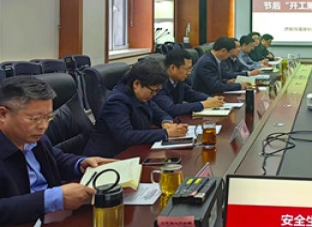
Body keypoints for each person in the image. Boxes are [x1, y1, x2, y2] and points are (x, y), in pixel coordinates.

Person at [0, 76, 113, 226]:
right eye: (34, 118)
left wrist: (80, 163)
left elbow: (55, 159)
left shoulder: (35, 138)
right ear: (3, 114)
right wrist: (51, 199)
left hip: (54, 216)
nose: (43, 126)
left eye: (48, 117)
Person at [84, 60, 188, 158]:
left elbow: (161, 114)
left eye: (157, 91)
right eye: (153, 91)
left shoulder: (141, 96)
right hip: (106, 159)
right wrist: (166, 133)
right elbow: (126, 136)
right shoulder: (117, 101)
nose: (154, 95)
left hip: (132, 152)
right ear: (136, 84)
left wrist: (166, 122)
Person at [152, 49, 224, 117]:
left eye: (190, 69)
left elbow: (190, 94)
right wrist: (203, 104)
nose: (189, 73)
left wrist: (209, 99)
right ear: (173, 68)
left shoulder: (178, 80)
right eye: (187, 69)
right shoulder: (158, 84)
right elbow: (171, 109)